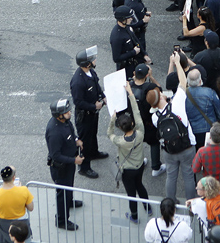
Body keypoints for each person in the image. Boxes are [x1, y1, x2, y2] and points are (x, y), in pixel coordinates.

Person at [150, 52, 197, 201]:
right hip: (187, 146)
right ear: (162, 96)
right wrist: (177, 62)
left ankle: (170, 203)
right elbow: (183, 83)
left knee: (171, 176)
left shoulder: (154, 117)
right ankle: (190, 205)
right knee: (189, 176)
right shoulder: (176, 103)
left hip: (169, 150)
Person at [108, 83, 151, 223]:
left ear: (121, 128)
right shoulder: (140, 133)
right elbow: (137, 112)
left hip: (127, 170)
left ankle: (134, 216)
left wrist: (112, 119)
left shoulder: (120, 141)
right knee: (140, 186)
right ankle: (148, 207)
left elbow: (110, 134)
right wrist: (130, 94)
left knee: (131, 193)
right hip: (139, 166)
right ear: (132, 124)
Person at [44, 99, 84, 231]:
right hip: (61, 168)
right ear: (59, 115)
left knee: (69, 187)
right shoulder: (54, 132)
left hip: (68, 164)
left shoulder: (65, 121)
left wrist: (76, 140)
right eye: (66, 111)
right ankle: (61, 220)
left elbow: (71, 131)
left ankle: (69, 202)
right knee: (62, 194)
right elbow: (56, 155)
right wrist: (74, 161)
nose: (69, 112)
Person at [69, 46, 108, 180]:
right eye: (92, 59)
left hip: (93, 113)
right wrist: (93, 106)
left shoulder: (91, 73)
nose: (95, 60)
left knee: (93, 134)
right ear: (87, 64)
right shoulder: (78, 81)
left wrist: (102, 96)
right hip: (84, 116)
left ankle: (94, 152)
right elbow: (78, 102)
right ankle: (84, 168)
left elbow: (97, 86)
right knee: (85, 140)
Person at [0, 166, 33, 243]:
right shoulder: (24, 190)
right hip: (21, 225)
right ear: (14, 177)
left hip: (3, 227)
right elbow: (31, 207)